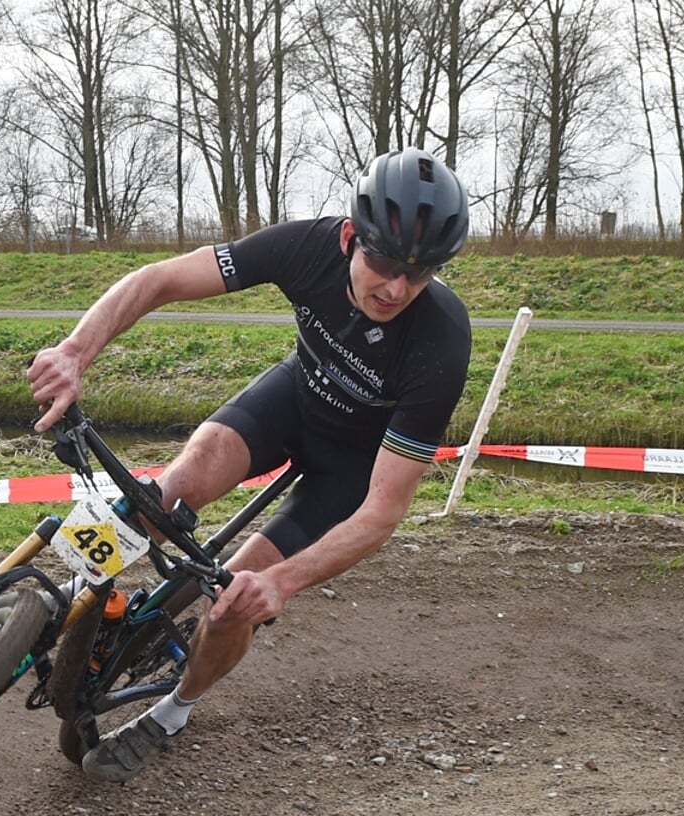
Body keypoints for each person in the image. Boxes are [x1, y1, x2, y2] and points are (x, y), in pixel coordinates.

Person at [27, 147, 473, 783]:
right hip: (294, 401)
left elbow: (381, 512)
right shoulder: (304, 247)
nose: (396, 288)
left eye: (420, 273)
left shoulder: (441, 341)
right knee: (173, 487)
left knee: (237, 595)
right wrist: (75, 351)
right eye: (382, 262)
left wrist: (282, 584)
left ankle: (174, 712)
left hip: (349, 471)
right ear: (350, 237)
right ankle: (73, 591)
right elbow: (158, 280)